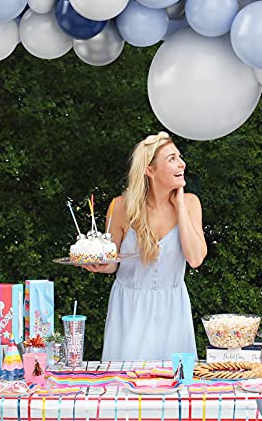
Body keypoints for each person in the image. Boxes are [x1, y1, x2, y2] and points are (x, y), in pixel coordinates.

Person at [85, 131, 207, 361]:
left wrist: (179, 204)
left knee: (176, 385)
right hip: (130, 311)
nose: (182, 163)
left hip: (174, 310)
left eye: (179, 156)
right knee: (124, 385)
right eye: (171, 159)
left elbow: (195, 258)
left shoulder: (190, 204)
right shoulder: (120, 207)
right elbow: (113, 262)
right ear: (150, 170)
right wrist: (102, 265)